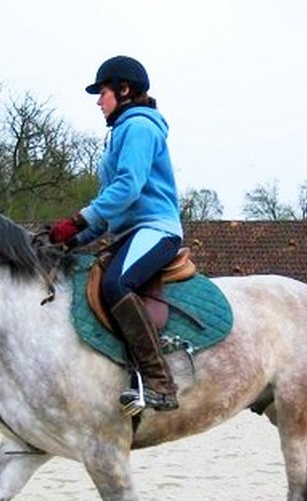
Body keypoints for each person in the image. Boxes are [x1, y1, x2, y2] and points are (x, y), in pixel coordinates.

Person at [49, 56, 182, 414]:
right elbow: (113, 211)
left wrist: (77, 219)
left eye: (102, 92)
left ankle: (160, 383)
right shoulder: (119, 133)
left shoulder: (138, 127)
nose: (98, 101)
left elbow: (128, 188)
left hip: (157, 228)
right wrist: (72, 238)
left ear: (123, 90)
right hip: (128, 231)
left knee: (115, 285)